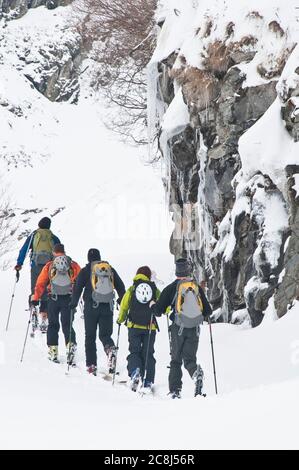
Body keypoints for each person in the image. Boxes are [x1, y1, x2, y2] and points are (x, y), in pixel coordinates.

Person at [151, 259, 212, 399]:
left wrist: (153, 305)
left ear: (177, 271)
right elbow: (207, 311)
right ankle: (196, 375)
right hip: (194, 329)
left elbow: (158, 311)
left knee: (176, 360)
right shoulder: (196, 288)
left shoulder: (172, 288)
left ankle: (175, 391)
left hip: (178, 328)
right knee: (190, 359)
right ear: (188, 270)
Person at [71, 249, 125, 376]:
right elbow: (121, 286)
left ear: (88, 258)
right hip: (107, 307)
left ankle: (91, 365)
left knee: (90, 337)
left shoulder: (86, 271)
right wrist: (121, 300)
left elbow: (77, 288)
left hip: (91, 307)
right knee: (105, 335)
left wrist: (73, 303)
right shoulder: (109, 269)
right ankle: (110, 349)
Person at [31, 244, 81, 364]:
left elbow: (40, 283)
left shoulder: (49, 265)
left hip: (53, 299)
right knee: (67, 324)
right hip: (68, 299)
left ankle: (53, 350)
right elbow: (79, 280)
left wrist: (36, 297)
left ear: (53, 252)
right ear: (64, 251)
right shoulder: (73, 264)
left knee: (53, 325)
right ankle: (70, 346)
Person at [117, 266, 160, 394]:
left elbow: (124, 306)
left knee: (134, 352)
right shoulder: (154, 289)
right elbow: (162, 304)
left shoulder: (132, 289)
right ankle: (148, 381)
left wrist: (120, 320)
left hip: (134, 326)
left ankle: (135, 371)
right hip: (149, 327)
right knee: (148, 353)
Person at [14, 217, 61, 332]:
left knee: (35, 289)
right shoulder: (53, 238)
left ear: (39, 225)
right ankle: (44, 316)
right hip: (50, 268)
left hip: (35, 266)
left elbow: (23, 250)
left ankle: (34, 310)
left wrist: (19, 264)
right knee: (46, 291)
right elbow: (60, 254)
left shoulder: (34, 236)